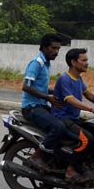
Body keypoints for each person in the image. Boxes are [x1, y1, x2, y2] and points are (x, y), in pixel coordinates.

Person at [51, 48, 94, 182]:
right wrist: (93, 110)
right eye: (84, 60)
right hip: (62, 118)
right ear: (74, 62)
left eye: (87, 60)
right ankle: (71, 169)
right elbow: (70, 99)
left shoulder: (78, 79)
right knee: (87, 139)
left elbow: (90, 96)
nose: (87, 63)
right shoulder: (64, 79)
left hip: (73, 118)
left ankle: (88, 164)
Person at [21, 33, 64, 172]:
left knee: (68, 123)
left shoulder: (46, 64)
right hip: (31, 107)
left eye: (58, 49)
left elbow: (42, 88)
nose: (56, 52)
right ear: (44, 47)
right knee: (58, 127)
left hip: (41, 105)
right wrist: (48, 98)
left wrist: (62, 94)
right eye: (53, 48)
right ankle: (36, 156)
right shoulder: (37, 63)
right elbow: (26, 87)